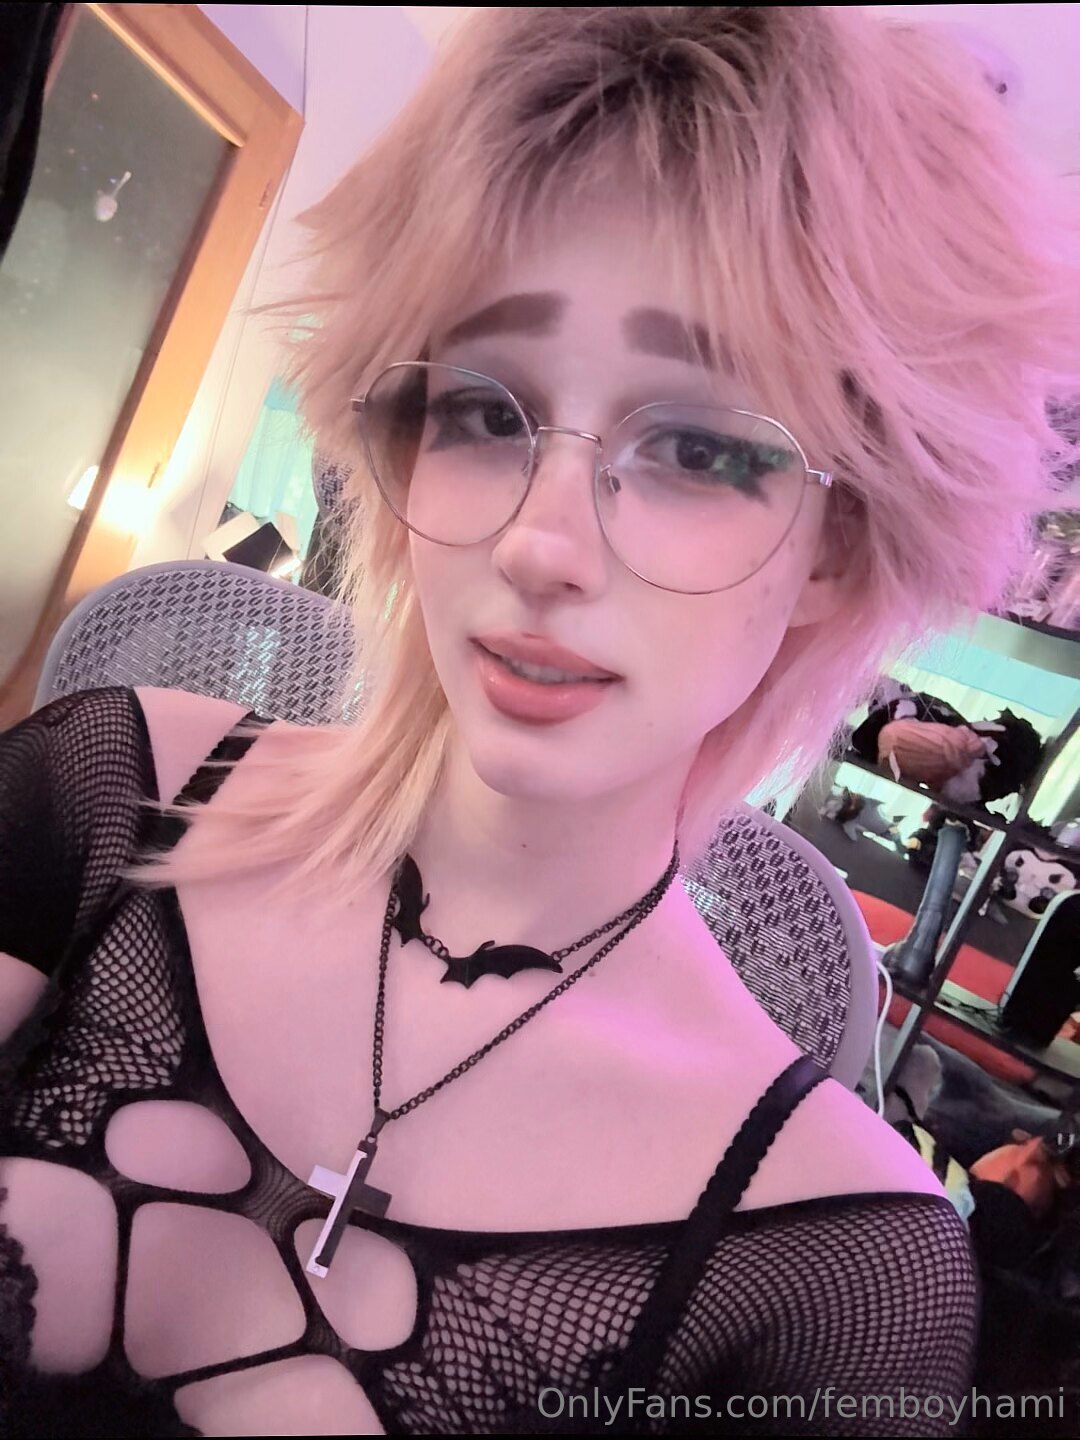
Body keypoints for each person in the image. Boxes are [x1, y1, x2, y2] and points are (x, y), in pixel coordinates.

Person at [2, 7, 1078, 1435]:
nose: (536, 543)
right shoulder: (102, 790)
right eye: (488, 411)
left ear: (837, 541)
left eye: (695, 446)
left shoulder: (836, 1266)